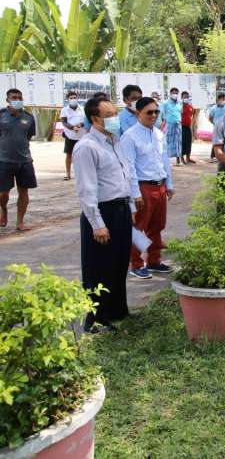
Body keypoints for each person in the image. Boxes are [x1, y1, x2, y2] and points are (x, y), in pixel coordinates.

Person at [72, 97, 135, 333]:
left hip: (121, 209)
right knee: (99, 267)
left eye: (115, 113)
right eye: (109, 115)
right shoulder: (87, 147)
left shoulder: (115, 141)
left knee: (119, 263)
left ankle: (117, 311)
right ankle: (96, 319)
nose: (115, 119)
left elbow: (125, 176)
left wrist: (131, 208)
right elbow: (86, 189)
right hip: (102, 212)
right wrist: (97, 223)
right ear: (95, 118)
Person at [120, 97, 175, 280]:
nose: (153, 115)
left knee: (157, 226)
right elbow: (129, 168)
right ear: (138, 113)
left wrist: (169, 184)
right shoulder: (130, 136)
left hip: (160, 186)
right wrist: (135, 194)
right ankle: (136, 264)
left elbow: (164, 160)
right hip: (143, 187)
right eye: (149, 112)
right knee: (138, 227)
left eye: (156, 112)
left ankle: (154, 260)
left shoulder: (158, 134)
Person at [0, 89, 36, 231]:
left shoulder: (29, 117)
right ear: (7, 100)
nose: (17, 100)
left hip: (25, 161)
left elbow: (28, 137)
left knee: (24, 192)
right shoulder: (1, 115)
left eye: (20, 97)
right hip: (4, 160)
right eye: (14, 97)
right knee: (3, 194)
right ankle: (3, 210)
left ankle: (20, 222)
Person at [60, 91, 86, 181]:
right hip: (69, 136)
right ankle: (68, 174)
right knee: (69, 155)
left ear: (77, 98)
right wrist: (72, 127)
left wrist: (80, 125)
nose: (73, 99)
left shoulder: (83, 109)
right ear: (68, 100)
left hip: (82, 136)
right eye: (71, 98)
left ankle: (83, 174)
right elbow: (63, 122)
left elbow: (86, 121)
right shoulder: (64, 110)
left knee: (83, 155)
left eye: (75, 98)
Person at [162, 87, 183, 166]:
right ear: (170, 94)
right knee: (168, 142)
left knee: (178, 142)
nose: (175, 94)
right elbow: (163, 115)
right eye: (174, 93)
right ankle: (167, 161)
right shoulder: (166, 104)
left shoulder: (179, 103)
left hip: (178, 125)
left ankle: (178, 161)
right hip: (170, 125)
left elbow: (180, 113)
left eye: (176, 93)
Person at [208, 92, 225, 160]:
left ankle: (223, 156)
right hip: (216, 128)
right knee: (216, 141)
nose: (223, 101)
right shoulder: (213, 108)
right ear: (218, 99)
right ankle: (213, 156)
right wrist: (215, 124)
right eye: (222, 99)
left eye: (224, 99)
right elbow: (210, 118)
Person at [180, 91, 196, 164]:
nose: (186, 98)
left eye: (187, 97)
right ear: (181, 98)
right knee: (183, 142)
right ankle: (182, 158)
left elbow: (192, 113)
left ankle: (188, 158)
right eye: (184, 97)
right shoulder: (179, 106)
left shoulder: (190, 106)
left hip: (188, 127)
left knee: (189, 142)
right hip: (181, 127)